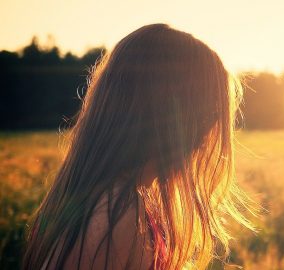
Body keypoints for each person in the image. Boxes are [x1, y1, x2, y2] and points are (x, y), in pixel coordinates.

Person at [23, 23, 255, 270]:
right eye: (211, 115)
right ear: (175, 119)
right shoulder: (115, 215)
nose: (208, 136)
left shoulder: (109, 202)